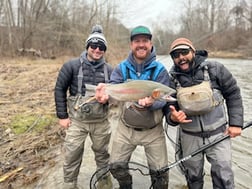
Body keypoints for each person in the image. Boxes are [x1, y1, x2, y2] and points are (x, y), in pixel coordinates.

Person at [95, 25, 170, 189]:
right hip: (126, 129)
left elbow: (164, 100)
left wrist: (152, 103)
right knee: (116, 166)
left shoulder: (160, 70)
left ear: (150, 44)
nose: (141, 44)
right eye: (137, 41)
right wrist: (105, 96)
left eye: (145, 41)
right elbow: (113, 88)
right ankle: (126, 185)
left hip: (153, 131)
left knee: (161, 174)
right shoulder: (121, 68)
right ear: (131, 45)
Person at [164, 37, 244, 189]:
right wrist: (172, 118)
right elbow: (169, 107)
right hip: (189, 137)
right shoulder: (171, 80)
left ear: (193, 51)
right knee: (193, 178)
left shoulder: (215, 69)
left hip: (219, 134)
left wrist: (235, 123)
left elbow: (233, 94)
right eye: (176, 55)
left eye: (184, 52)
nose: (181, 58)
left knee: (224, 178)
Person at [54, 25, 113, 189]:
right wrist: (62, 116)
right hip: (76, 121)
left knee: (103, 155)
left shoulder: (110, 70)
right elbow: (59, 89)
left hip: (101, 122)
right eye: (93, 45)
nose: (97, 49)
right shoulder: (70, 66)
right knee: (72, 154)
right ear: (87, 46)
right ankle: (69, 184)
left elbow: (115, 97)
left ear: (104, 50)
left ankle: (104, 183)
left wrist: (107, 99)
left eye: (101, 47)